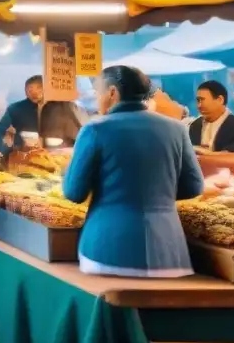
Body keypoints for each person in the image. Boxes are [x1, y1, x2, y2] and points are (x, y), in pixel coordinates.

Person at [64, 66, 204, 277]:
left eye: (97, 93)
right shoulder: (176, 129)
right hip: (169, 252)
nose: (96, 100)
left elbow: (74, 193)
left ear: (112, 93)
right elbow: (194, 187)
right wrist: (155, 194)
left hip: (107, 250)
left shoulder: (95, 129)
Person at [190, 80, 234, 153]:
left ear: (220, 100)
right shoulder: (195, 125)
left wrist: (207, 154)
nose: (199, 105)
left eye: (202, 100)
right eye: (198, 100)